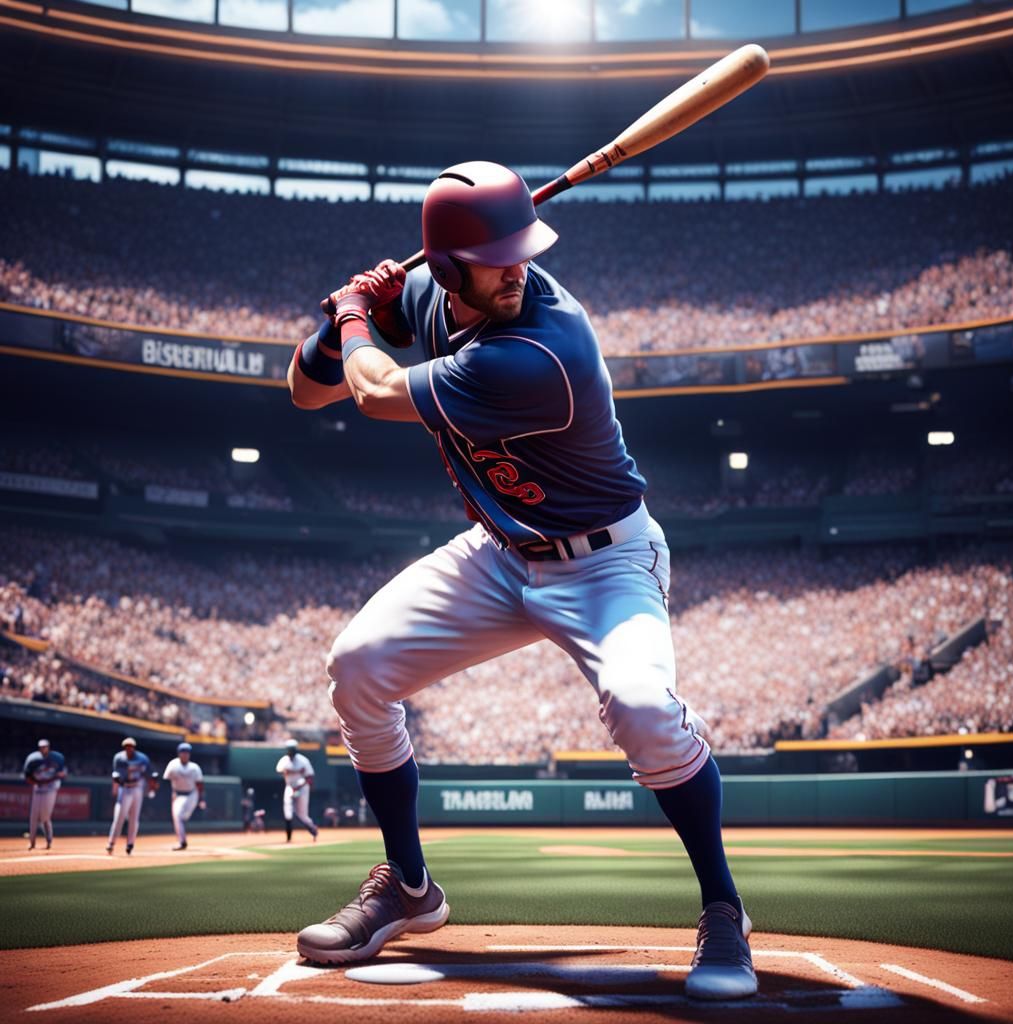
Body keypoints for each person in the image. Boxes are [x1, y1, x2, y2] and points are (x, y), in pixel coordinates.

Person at [287, 161, 757, 1000]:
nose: (519, 269)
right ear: (448, 265)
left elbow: (372, 392)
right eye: (499, 256)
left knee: (643, 708)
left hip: (608, 560)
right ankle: (408, 886)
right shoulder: (434, 293)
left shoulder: (543, 348)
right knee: (357, 667)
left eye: (523, 252)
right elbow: (305, 393)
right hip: (500, 551)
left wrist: (356, 315)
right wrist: (340, 324)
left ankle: (724, 908)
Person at [106, 737, 155, 855]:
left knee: (134, 817)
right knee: (119, 816)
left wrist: (151, 788)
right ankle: (111, 843)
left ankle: (130, 844)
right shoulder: (119, 758)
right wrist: (115, 788)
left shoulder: (142, 758)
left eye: (131, 746)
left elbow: (150, 774)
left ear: (134, 747)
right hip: (125, 787)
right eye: (126, 747)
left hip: (137, 787)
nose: (129, 749)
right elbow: (115, 775)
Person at [23, 738, 66, 851]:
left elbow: (62, 774)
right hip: (38, 788)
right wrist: (38, 782)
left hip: (50, 788)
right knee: (33, 816)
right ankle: (32, 843)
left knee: (45, 817)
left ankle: (49, 840)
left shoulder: (57, 757)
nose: (43, 749)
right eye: (41, 747)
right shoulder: (32, 759)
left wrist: (51, 779)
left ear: (48, 747)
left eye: (45, 746)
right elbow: (27, 776)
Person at [162, 742, 205, 851]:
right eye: (183, 752)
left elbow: (199, 785)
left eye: (187, 753)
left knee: (183, 817)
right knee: (178, 816)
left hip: (192, 795)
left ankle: (182, 839)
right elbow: (165, 781)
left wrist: (201, 799)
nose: (185, 755)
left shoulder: (194, 768)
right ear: (179, 754)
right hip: (178, 795)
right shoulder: (173, 765)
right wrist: (171, 795)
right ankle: (182, 842)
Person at [275, 739, 319, 843]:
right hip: (290, 786)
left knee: (302, 815)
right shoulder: (284, 760)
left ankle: (313, 829)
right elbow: (279, 770)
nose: (290, 752)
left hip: (302, 787)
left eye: (292, 750)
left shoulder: (303, 760)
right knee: (288, 812)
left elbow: (310, 777)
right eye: (289, 750)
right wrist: (291, 772)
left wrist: (299, 786)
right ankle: (289, 838)